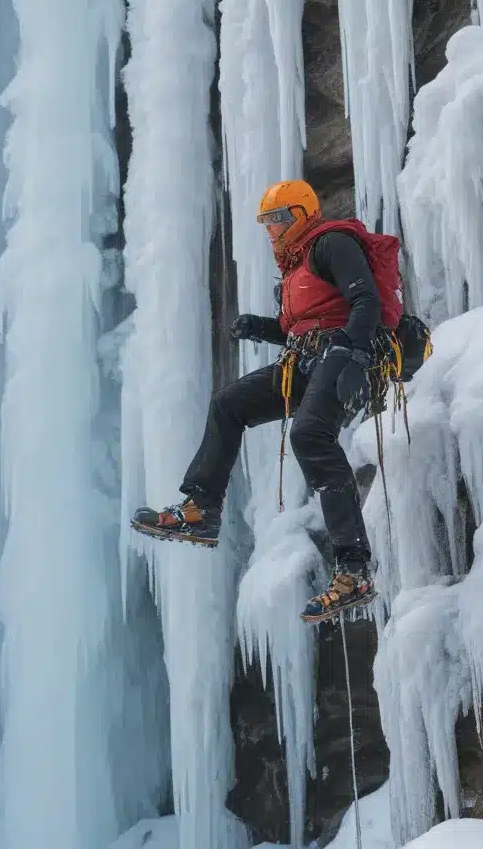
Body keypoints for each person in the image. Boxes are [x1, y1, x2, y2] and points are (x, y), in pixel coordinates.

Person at [132, 179, 390, 623]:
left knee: (310, 435)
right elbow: (303, 326)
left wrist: (356, 355)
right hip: (306, 360)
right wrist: (263, 328)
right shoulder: (294, 267)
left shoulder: (331, 243)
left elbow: (364, 300)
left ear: (303, 215)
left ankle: (354, 569)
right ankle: (202, 509)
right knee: (228, 404)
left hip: (343, 353)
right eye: (267, 222)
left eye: (280, 219)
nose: (272, 229)